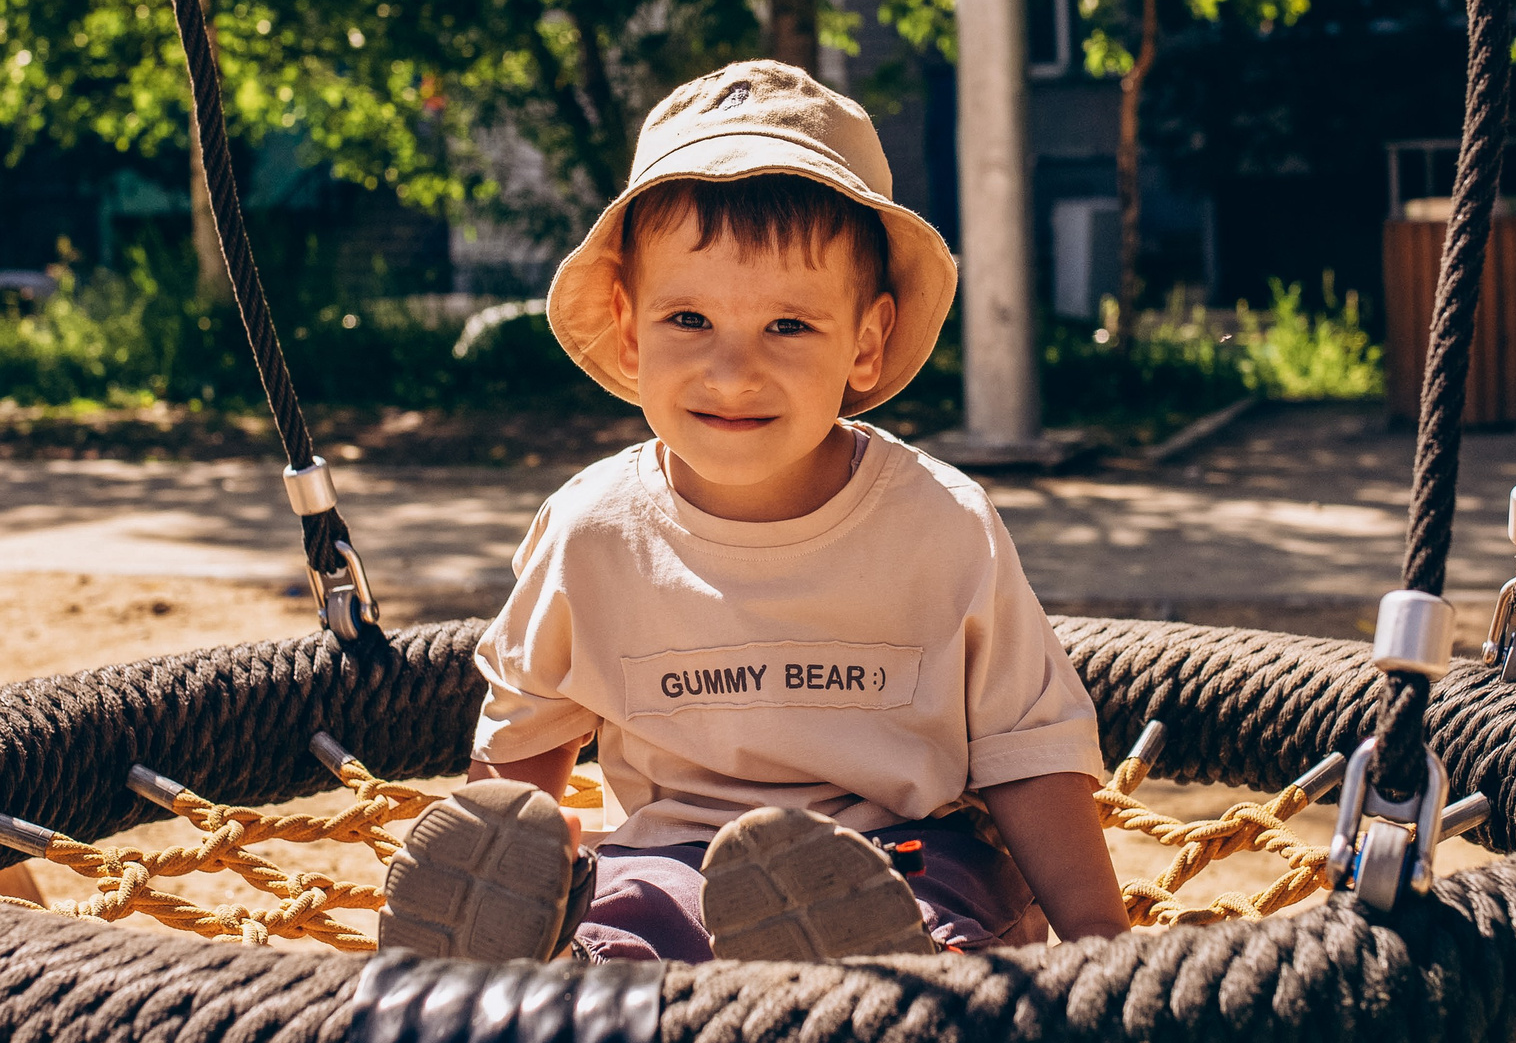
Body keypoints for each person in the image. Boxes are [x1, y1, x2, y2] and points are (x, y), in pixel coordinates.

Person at [378, 61, 1127, 964]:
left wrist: (1102, 946)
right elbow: (521, 748)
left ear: (867, 341)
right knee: (623, 929)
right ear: (628, 329)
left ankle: (876, 972)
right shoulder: (592, 530)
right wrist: (495, 869)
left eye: (788, 327)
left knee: (947, 937)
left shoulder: (941, 523)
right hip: (667, 862)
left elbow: (1028, 752)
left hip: (902, 857)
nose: (732, 374)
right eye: (689, 320)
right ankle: (542, 981)